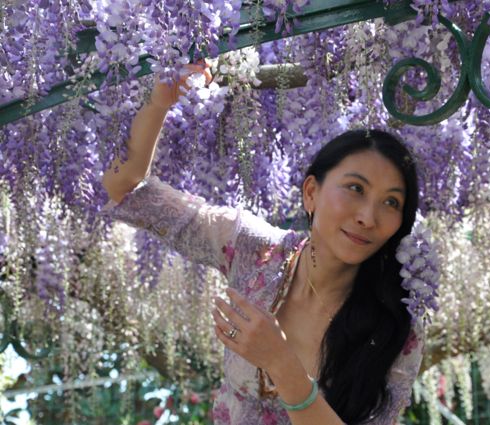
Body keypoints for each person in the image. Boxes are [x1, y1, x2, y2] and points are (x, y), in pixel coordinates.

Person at [101, 61, 425, 425]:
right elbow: (126, 189)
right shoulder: (254, 249)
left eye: (391, 202)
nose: (368, 216)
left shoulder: (397, 325)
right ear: (311, 193)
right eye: (355, 188)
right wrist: (160, 101)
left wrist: (280, 363)